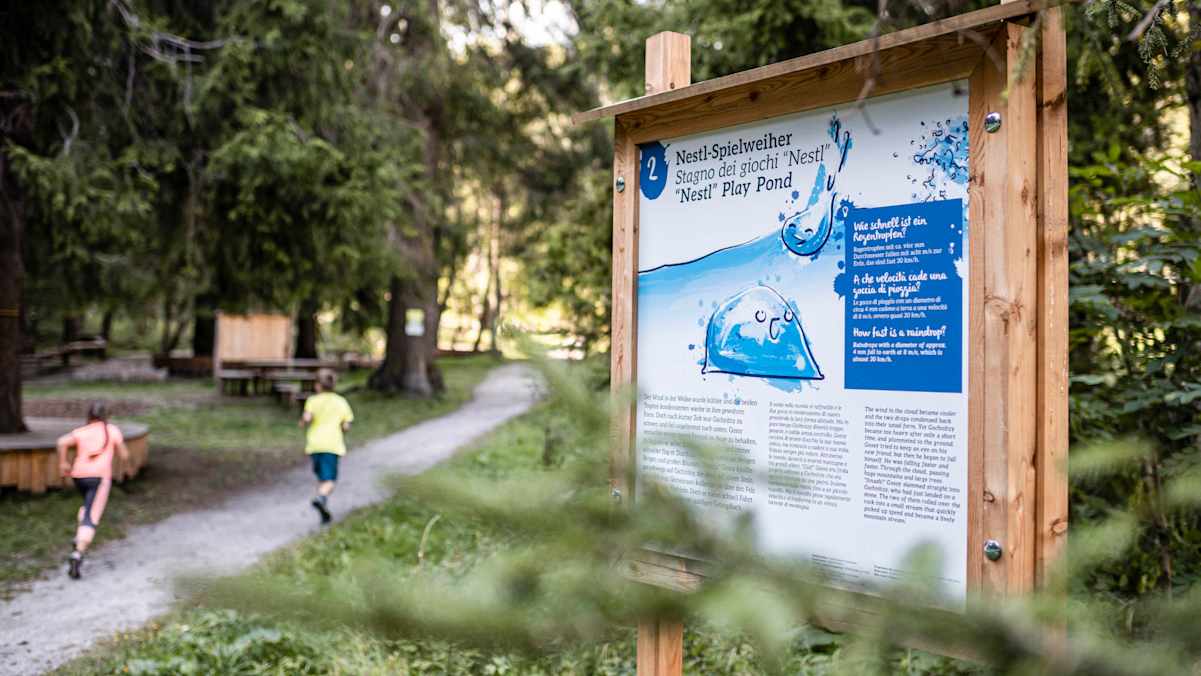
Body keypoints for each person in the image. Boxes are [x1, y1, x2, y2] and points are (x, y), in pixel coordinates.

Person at [56, 402, 130, 580]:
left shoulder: (82, 431)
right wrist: (127, 469)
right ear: (105, 415)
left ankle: (79, 536)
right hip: (99, 478)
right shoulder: (111, 430)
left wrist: (63, 462)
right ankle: (78, 553)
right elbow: (124, 454)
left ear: (89, 415)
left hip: (79, 476)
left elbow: (61, 442)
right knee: (92, 514)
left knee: (87, 506)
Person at [299, 370, 354, 524]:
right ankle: (321, 498)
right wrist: (343, 427)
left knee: (321, 477)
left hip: (315, 444)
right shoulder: (341, 402)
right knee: (329, 480)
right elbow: (346, 425)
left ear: (317, 386)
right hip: (332, 444)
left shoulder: (312, 400)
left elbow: (307, 418)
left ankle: (323, 509)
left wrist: (303, 422)